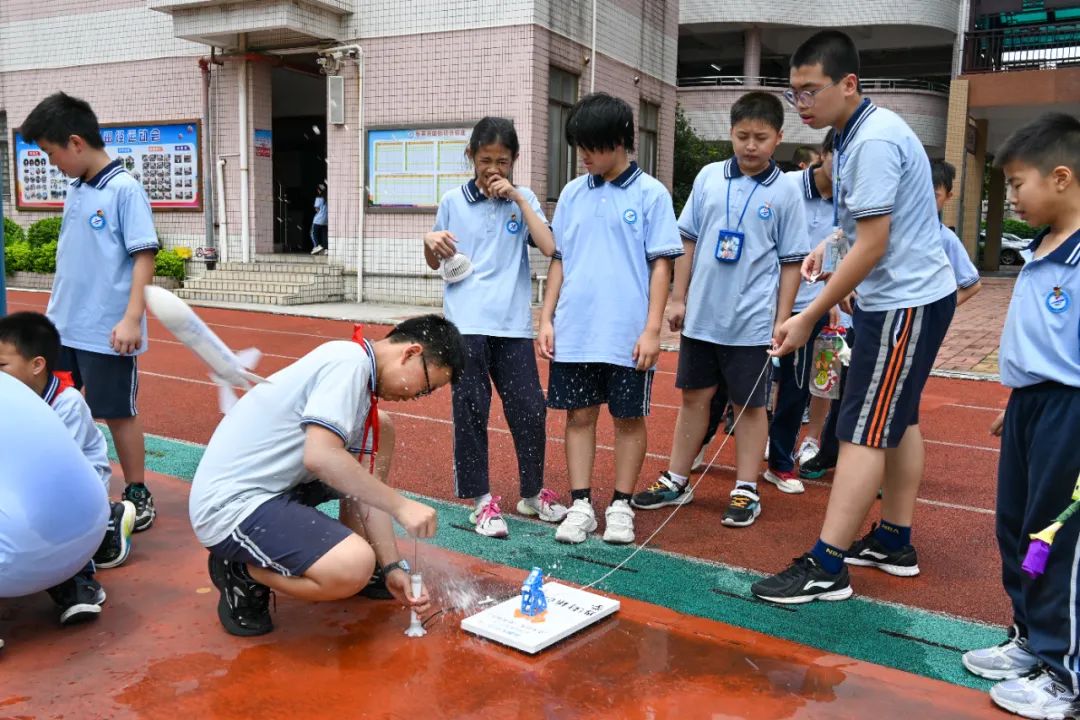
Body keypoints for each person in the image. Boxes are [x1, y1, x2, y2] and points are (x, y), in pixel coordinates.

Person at [752, 30, 957, 604]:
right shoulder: (855, 134)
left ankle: (826, 564)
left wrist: (806, 316)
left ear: (849, 84)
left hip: (903, 302)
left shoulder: (869, 141)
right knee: (900, 419)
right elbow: (865, 228)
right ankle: (893, 538)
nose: (802, 104)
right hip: (905, 297)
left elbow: (875, 244)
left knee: (863, 427)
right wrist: (830, 244)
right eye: (795, 93)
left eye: (811, 90)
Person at [189, 315, 466, 636]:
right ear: (410, 353)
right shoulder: (348, 363)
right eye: (425, 387)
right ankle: (242, 570)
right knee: (352, 568)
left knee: (382, 429)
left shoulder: (360, 375)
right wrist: (402, 506)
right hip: (230, 507)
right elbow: (320, 456)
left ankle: (362, 559)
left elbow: (366, 488)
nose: (417, 397)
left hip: (273, 489)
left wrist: (391, 567)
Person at [631, 91, 808, 526]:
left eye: (761, 138)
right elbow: (687, 239)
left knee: (750, 406)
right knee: (694, 397)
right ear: (730, 132)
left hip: (751, 322)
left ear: (779, 138)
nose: (751, 145)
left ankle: (746, 488)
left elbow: (790, 263)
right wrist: (678, 297)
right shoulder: (709, 177)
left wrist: (782, 319)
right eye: (743, 135)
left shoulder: (785, 191)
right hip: (703, 317)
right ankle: (676, 477)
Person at [959, 113, 1080, 719]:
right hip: (1032, 404)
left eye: (1016, 184)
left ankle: (1067, 675)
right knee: (1019, 526)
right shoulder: (1039, 249)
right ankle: (1031, 637)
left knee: (1056, 537)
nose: (1011, 196)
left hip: (1072, 412)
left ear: (1061, 177)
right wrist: (1016, 398)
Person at [538, 92, 682, 545]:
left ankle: (621, 504)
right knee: (578, 417)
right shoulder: (573, 193)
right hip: (576, 329)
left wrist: (652, 329)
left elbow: (662, 264)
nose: (583, 155)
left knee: (627, 419)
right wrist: (546, 318)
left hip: (626, 333)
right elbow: (560, 259)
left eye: (591, 146)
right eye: (578, 146)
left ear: (621, 140)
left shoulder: (651, 194)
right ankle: (581, 503)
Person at [20, 92, 159, 532]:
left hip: (107, 329)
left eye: (50, 152)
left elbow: (144, 255)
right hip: (64, 327)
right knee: (53, 405)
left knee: (117, 412)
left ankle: (137, 491)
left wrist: (131, 318)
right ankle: (63, 481)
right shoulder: (77, 188)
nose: (51, 162)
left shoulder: (124, 189)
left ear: (75, 142)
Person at [423, 117, 566, 538]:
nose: (493, 169)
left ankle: (533, 492)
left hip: (513, 325)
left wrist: (520, 200)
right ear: (471, 157)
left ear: (514, 160)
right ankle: (482, 501)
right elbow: (437, 261)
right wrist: (429, 245)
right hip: (465, 324)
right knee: (470, 410)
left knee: (529, 409)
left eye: (502, 161)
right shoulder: (453, 200)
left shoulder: (523, 201)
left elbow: (551, 247)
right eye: (485, 160)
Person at [0, 312, 137, 625]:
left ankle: (77, 577)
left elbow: (56, 472)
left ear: (37, 365)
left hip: (74, 488)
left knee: (53, 519)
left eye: (2, 367)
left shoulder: (66, 403)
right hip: (29, 487)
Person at [764, 131, 838, 489]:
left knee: (797, 388)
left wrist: (834, 299)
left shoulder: (853, 199)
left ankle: (780, 460)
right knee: (739, 381)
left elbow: (849, 252)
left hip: (811, 306)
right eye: (843, 156)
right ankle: (694, 453)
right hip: (764, 301)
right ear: (823, 154)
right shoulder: (787, 186)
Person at [930, 159, 983, 305]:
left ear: (948, 196)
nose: (924, 199)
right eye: (919, 192)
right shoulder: (891, 230)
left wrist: (941, 313)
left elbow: (973, 285)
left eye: (934, 195)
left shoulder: (946, 238)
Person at [311, 182, 328, 255]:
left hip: (318, 219)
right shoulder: (328, 199)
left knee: (313, 233)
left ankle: (317, 246)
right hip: (326, 220)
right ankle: (326, 249)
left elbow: (317, 209)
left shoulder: (318, 198)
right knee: (324, 235)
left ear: (319, 190)